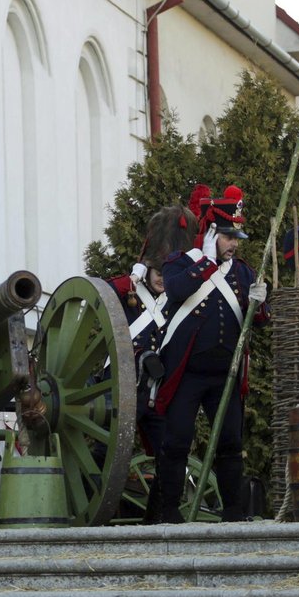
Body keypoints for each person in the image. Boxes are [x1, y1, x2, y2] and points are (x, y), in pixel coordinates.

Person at [154, 185, 269, 523]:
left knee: (231, 443)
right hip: (187, 373)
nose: (234, 243)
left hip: (226, 375)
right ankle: (169, 510)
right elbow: (175, 290)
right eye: (228, 235)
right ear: (211, 234)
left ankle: (233, 510)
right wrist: (204, 261)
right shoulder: (181, 264)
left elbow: (259, 321)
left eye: (237, 237)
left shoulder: (243, 271)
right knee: (176, 441)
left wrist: (260, 306)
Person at [105, 205, 196, 523]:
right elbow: (101, 293)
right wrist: (132, 276)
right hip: (123, 388)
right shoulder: (129, 290)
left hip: (159, 396)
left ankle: (157, 516)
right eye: (157, 272)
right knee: (109, 456)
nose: (162, 279)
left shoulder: (179, 300)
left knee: (172, 454)